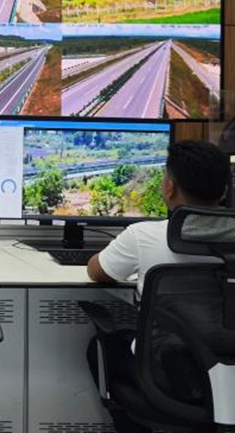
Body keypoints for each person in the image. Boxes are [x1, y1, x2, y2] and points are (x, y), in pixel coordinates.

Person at [84, 139, 229, 433]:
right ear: (225, 190)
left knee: (101, 346)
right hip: (230, 374)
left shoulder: (143, 235)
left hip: (168, 375)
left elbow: (97, 272)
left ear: (169, 187)